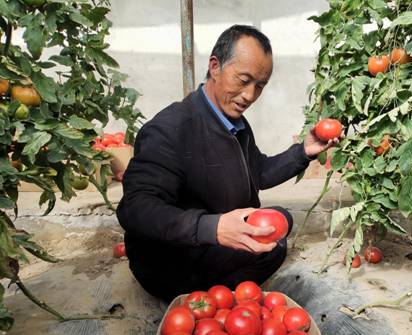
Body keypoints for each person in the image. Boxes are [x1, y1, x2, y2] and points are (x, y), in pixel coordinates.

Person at [116, 25, 337, 302]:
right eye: (243, 80)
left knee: (282, 219)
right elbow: (135, 209)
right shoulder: (170, 128)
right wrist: (212, 227)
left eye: (260, 85)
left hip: (207, 241)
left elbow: (257, 171)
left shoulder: (235, 124)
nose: (250, 95)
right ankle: (204, 301)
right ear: (215, 66)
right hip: (173, 260)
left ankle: (218, 293)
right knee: (274, 248)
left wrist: (303, 152)